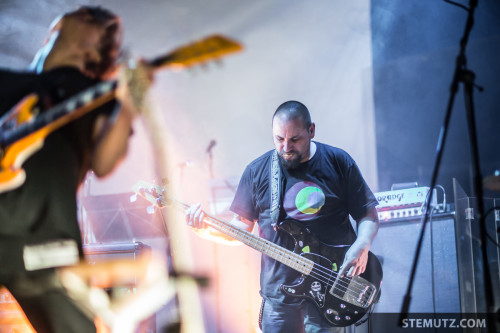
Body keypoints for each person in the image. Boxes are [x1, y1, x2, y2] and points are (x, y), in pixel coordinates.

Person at [0, 6, 152, 333]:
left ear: (96, 48)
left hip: (45, 241)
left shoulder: (91, 94)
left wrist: (129, 105)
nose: (80, 15)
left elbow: (103, 162)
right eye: (84, 14)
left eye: (92, 20)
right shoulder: (7, 82)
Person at [186, 100, 379, 333]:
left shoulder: (338, 162)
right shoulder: (257, 171)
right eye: (279, 139)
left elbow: (367, 213)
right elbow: (241, 229)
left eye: (294, 139)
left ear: (311, 130)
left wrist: (362, 244)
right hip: (278, 297)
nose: (286, 146)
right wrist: (205, 229)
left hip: (329, 287)